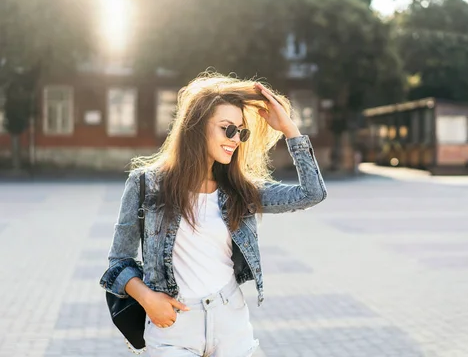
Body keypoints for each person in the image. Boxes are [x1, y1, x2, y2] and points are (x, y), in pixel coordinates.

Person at [99, 73, 327, 357]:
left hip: (230, 321)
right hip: (173, 327)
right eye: (227, 129)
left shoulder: (240, 190)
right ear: (196, 126)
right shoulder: (146, 184)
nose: (235, 139)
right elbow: (118, 261)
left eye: (241, 132)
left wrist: (290, 129)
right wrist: (147, 299)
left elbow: (312, 194)